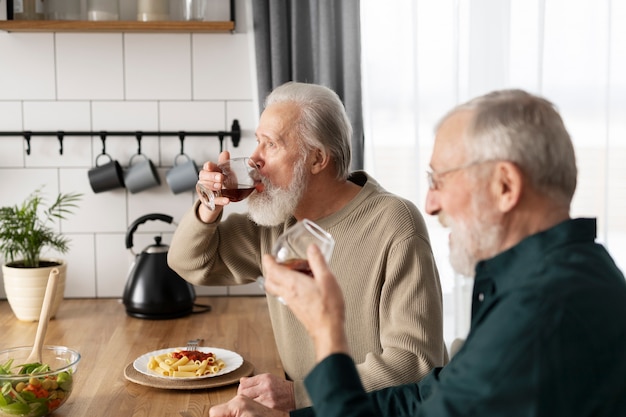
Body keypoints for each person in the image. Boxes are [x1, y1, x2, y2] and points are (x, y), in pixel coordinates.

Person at [209, 89, 626, 417]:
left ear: (505, 186)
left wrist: (326, 329)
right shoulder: (553, 277)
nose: (430, 203)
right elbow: (428, 400)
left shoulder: (540, 315)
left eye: (438, 179)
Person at [167, 81, 448, 410]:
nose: (254, 159)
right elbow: (188, 263)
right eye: (257, 141)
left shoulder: (393, 222)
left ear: (317, 159)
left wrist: (299, 394)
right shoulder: (275, 221)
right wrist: (210, 204)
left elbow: (415, 363)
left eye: (270, 145)